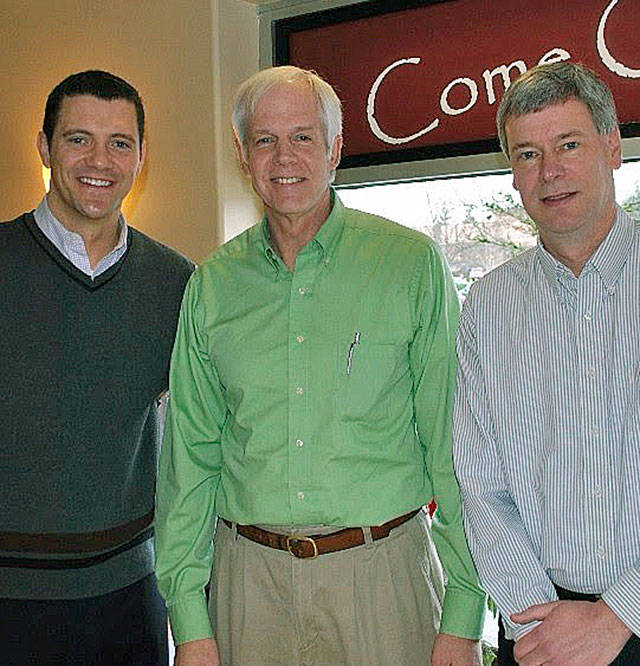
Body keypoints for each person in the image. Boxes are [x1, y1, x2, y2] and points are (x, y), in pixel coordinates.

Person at [155, 65, 485, 666]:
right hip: (247, 588)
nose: (285, 157)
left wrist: (464, 610)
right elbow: (189, 462)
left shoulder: (410, 266)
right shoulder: (211, 286)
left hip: (384, 582)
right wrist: (189, 620)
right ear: (243, 152)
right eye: (265, 140)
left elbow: (455, 447)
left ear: (335, 148)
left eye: (304, 137)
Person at [0, 70, 194, 665]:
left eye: (119, 143)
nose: (100, 160)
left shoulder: (177, 282)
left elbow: (204, 436)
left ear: (141, 156)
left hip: (131, 596)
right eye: (78, 138)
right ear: (45, 148)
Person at [453, 61, 640, 666]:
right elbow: (481, 485)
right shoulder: (487, 307)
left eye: (568, 145)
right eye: (527, 154)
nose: (549, 172)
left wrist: (620, 613)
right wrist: (537, 619)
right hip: (537, 632)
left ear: (612, 146)